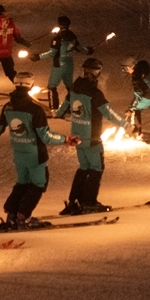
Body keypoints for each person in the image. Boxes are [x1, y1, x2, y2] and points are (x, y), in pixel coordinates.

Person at [0, 72, 81, 229]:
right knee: (38, 184)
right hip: (35, 154)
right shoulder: (34, 110)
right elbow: (45, 136)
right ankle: (23, 217)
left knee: (22, 183)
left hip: (19, 153)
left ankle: (12, 214)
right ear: (30, 86)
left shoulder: (8, 106)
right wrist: (65, 139)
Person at [56, 58, 131, 215]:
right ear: (96, 73)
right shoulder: (94, 93)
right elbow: (108, 112)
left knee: (84, 168)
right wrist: (127, 125)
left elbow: (64, 106)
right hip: (91, 138)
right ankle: (89, 202)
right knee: (96, 168)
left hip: (77, 138)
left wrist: (59, 114)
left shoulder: (75, 88)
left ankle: (74, 201)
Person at [31, 16, 92, 111]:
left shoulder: (58, 38)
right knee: (69, 86)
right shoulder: (73, 36)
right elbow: (80, 49)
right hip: (69, 65)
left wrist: (38, 56)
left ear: (59, 25)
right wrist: (88, 51)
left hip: (59, 65)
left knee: (52, 86)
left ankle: (53, 109)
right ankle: (73, 106)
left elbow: (52, 53)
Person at [121, 56, 150, 135]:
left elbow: (138, 95)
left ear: (131, 66)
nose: (125, 71)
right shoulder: (145, 66)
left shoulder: (136, 76)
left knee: (136, 109)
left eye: (125, 68)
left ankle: (137, 131)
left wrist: (131, 108)